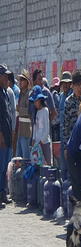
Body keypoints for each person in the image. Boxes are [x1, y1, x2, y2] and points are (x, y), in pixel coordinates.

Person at [0, 65, 14, 208]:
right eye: (4, 76)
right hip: (1, 138)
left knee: (4, 168)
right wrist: (1, 136)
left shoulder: (4, 93)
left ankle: (3, 193)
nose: (7, 78)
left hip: (7, 136)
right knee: (0, 167)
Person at [57, 71, 73, 177]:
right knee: (63, 166)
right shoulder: (61, 96)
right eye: (64, 83)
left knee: (71, 164)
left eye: (68, 83)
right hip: (62, 135)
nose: (66, 85)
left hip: (71, 136)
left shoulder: (73, 97)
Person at [30, 88, 52, 166]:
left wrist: (42, 140)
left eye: (36, 101)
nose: (35, 103)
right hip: (37, 143)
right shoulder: (37, 112)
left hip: (44, 142)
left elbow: (47, 128)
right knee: (38, 164)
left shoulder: (45, 110)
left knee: (47, 164)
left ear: (40, 100)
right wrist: (33, 139)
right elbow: (35, 127)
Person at [15, 70, 32, 159]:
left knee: (25, 156)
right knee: (19, 156)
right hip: (20, 128)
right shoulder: (21, 94)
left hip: (26, 128)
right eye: (20, 80)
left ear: (27, 82)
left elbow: (30, 111)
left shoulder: (29, 94)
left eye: (22, 80)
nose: (20, 82)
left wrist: (19, 109)